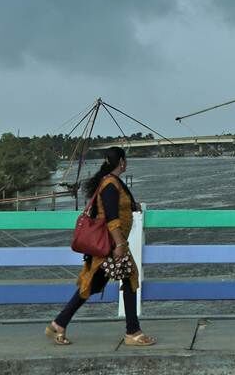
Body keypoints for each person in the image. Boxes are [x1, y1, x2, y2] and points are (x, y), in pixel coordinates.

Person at [46, 146, 154, 346]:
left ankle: (58, 324)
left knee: (93, 284)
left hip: (110, 244)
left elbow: (120, 205)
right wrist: (120, 243)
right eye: (125, 160)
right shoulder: (110, 184)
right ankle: (133, 332)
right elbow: (112, 217)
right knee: (129, 278)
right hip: (111, 244)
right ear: (121, 162)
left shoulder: (113, 183)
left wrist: (134, 206)